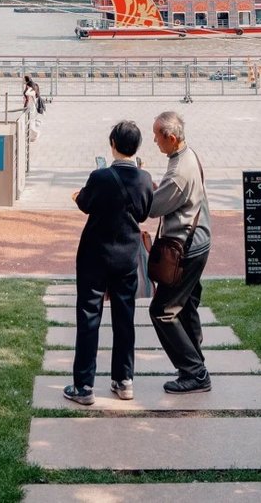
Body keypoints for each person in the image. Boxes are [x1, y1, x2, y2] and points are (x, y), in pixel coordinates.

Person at [64, 120, 153, 407]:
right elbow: (142, 213)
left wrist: (79, 196)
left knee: (89, 317)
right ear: (136, 147)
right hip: (127, 255)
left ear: (112, 144)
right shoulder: (143, 178)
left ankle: (84, 385)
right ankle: (124, 380)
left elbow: (86, 204)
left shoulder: (100, 176)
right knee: (124, 318)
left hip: (95, 254)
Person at [148, 110, 212, 395]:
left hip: (185, 247)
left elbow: (152, 208)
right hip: (197, 242)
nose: (154, 141)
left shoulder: (178, 172)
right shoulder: (187, 156)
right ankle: (195, 361)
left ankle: (195, 373)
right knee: (186, 306)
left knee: (162, 310)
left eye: (157, 137)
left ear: (171, 138)